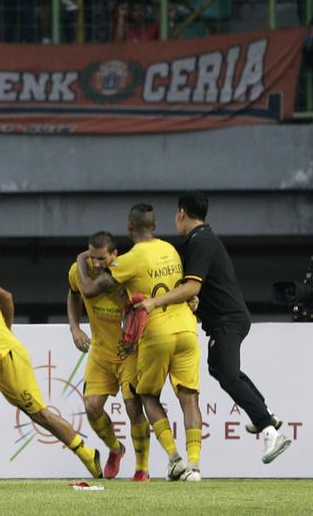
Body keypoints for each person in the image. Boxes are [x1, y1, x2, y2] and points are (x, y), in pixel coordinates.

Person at [133, 192, 294, 466]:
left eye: (176, 215)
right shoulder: (202, 239)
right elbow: (199, 290)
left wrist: (154, 302)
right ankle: (265, 414)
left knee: (228, 374)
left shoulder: (200, 241)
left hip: (227, 320)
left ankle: (270, 430)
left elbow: (192, 286)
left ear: (181, 213)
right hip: (228, 318)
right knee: (219, 369)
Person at [77, 203, 202, 482]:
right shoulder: (171, 250)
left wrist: (80, 258)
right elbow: (184, 288)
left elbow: (88, 288)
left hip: (156, 333)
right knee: (189, 397)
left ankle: (174, 459)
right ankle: (194, 465)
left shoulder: (128, 260)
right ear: (154, 226)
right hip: (187, 329)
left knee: (147, 397)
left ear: (129, 228)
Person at [0, 269, 103, 479]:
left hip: (8, 358)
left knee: (40, 415)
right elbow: (7, 297)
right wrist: (7, 329)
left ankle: (87, 453)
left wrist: (5, 332)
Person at [67, 231, 149, 480]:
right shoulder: (78, 271)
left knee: (133, 407)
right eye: (92, 258)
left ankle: (142, 469)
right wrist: (75, 328)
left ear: (115, 255)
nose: (96, 263)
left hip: (129, 353)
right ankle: (116, 449)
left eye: (101, 258)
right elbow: (74, 294)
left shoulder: (126, 274)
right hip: (100, 352)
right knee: (92, 407)